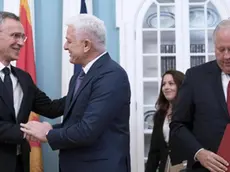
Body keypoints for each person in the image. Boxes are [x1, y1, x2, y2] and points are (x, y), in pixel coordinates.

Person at [21, 14, 131, 172]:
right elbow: (76, 122)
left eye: (69, 41)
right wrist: (50, 129)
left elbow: (87, 130)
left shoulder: (111, 75)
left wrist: (48, 133)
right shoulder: (80, 76)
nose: (65, 46)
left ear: (86, 45)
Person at [0, 11, 66, 172]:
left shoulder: (24, 78)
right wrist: (29, 131)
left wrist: (83, 89)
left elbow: (51, 108)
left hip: (20, 164)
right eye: (15, 35)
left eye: (23, 37)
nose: (21, 42)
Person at [170, 19, 230, 172]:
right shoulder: (195, 77)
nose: (226, 56)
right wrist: (199, 153)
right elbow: (178, 125)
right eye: (221, 49)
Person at [145, 70, 185, 172]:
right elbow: (154, 151)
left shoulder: (189, 112)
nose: (166, 87)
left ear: (180, 86)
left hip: (185, 167)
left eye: (171, 83)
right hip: (165, 168)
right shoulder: (160, 115)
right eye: (164, 84)